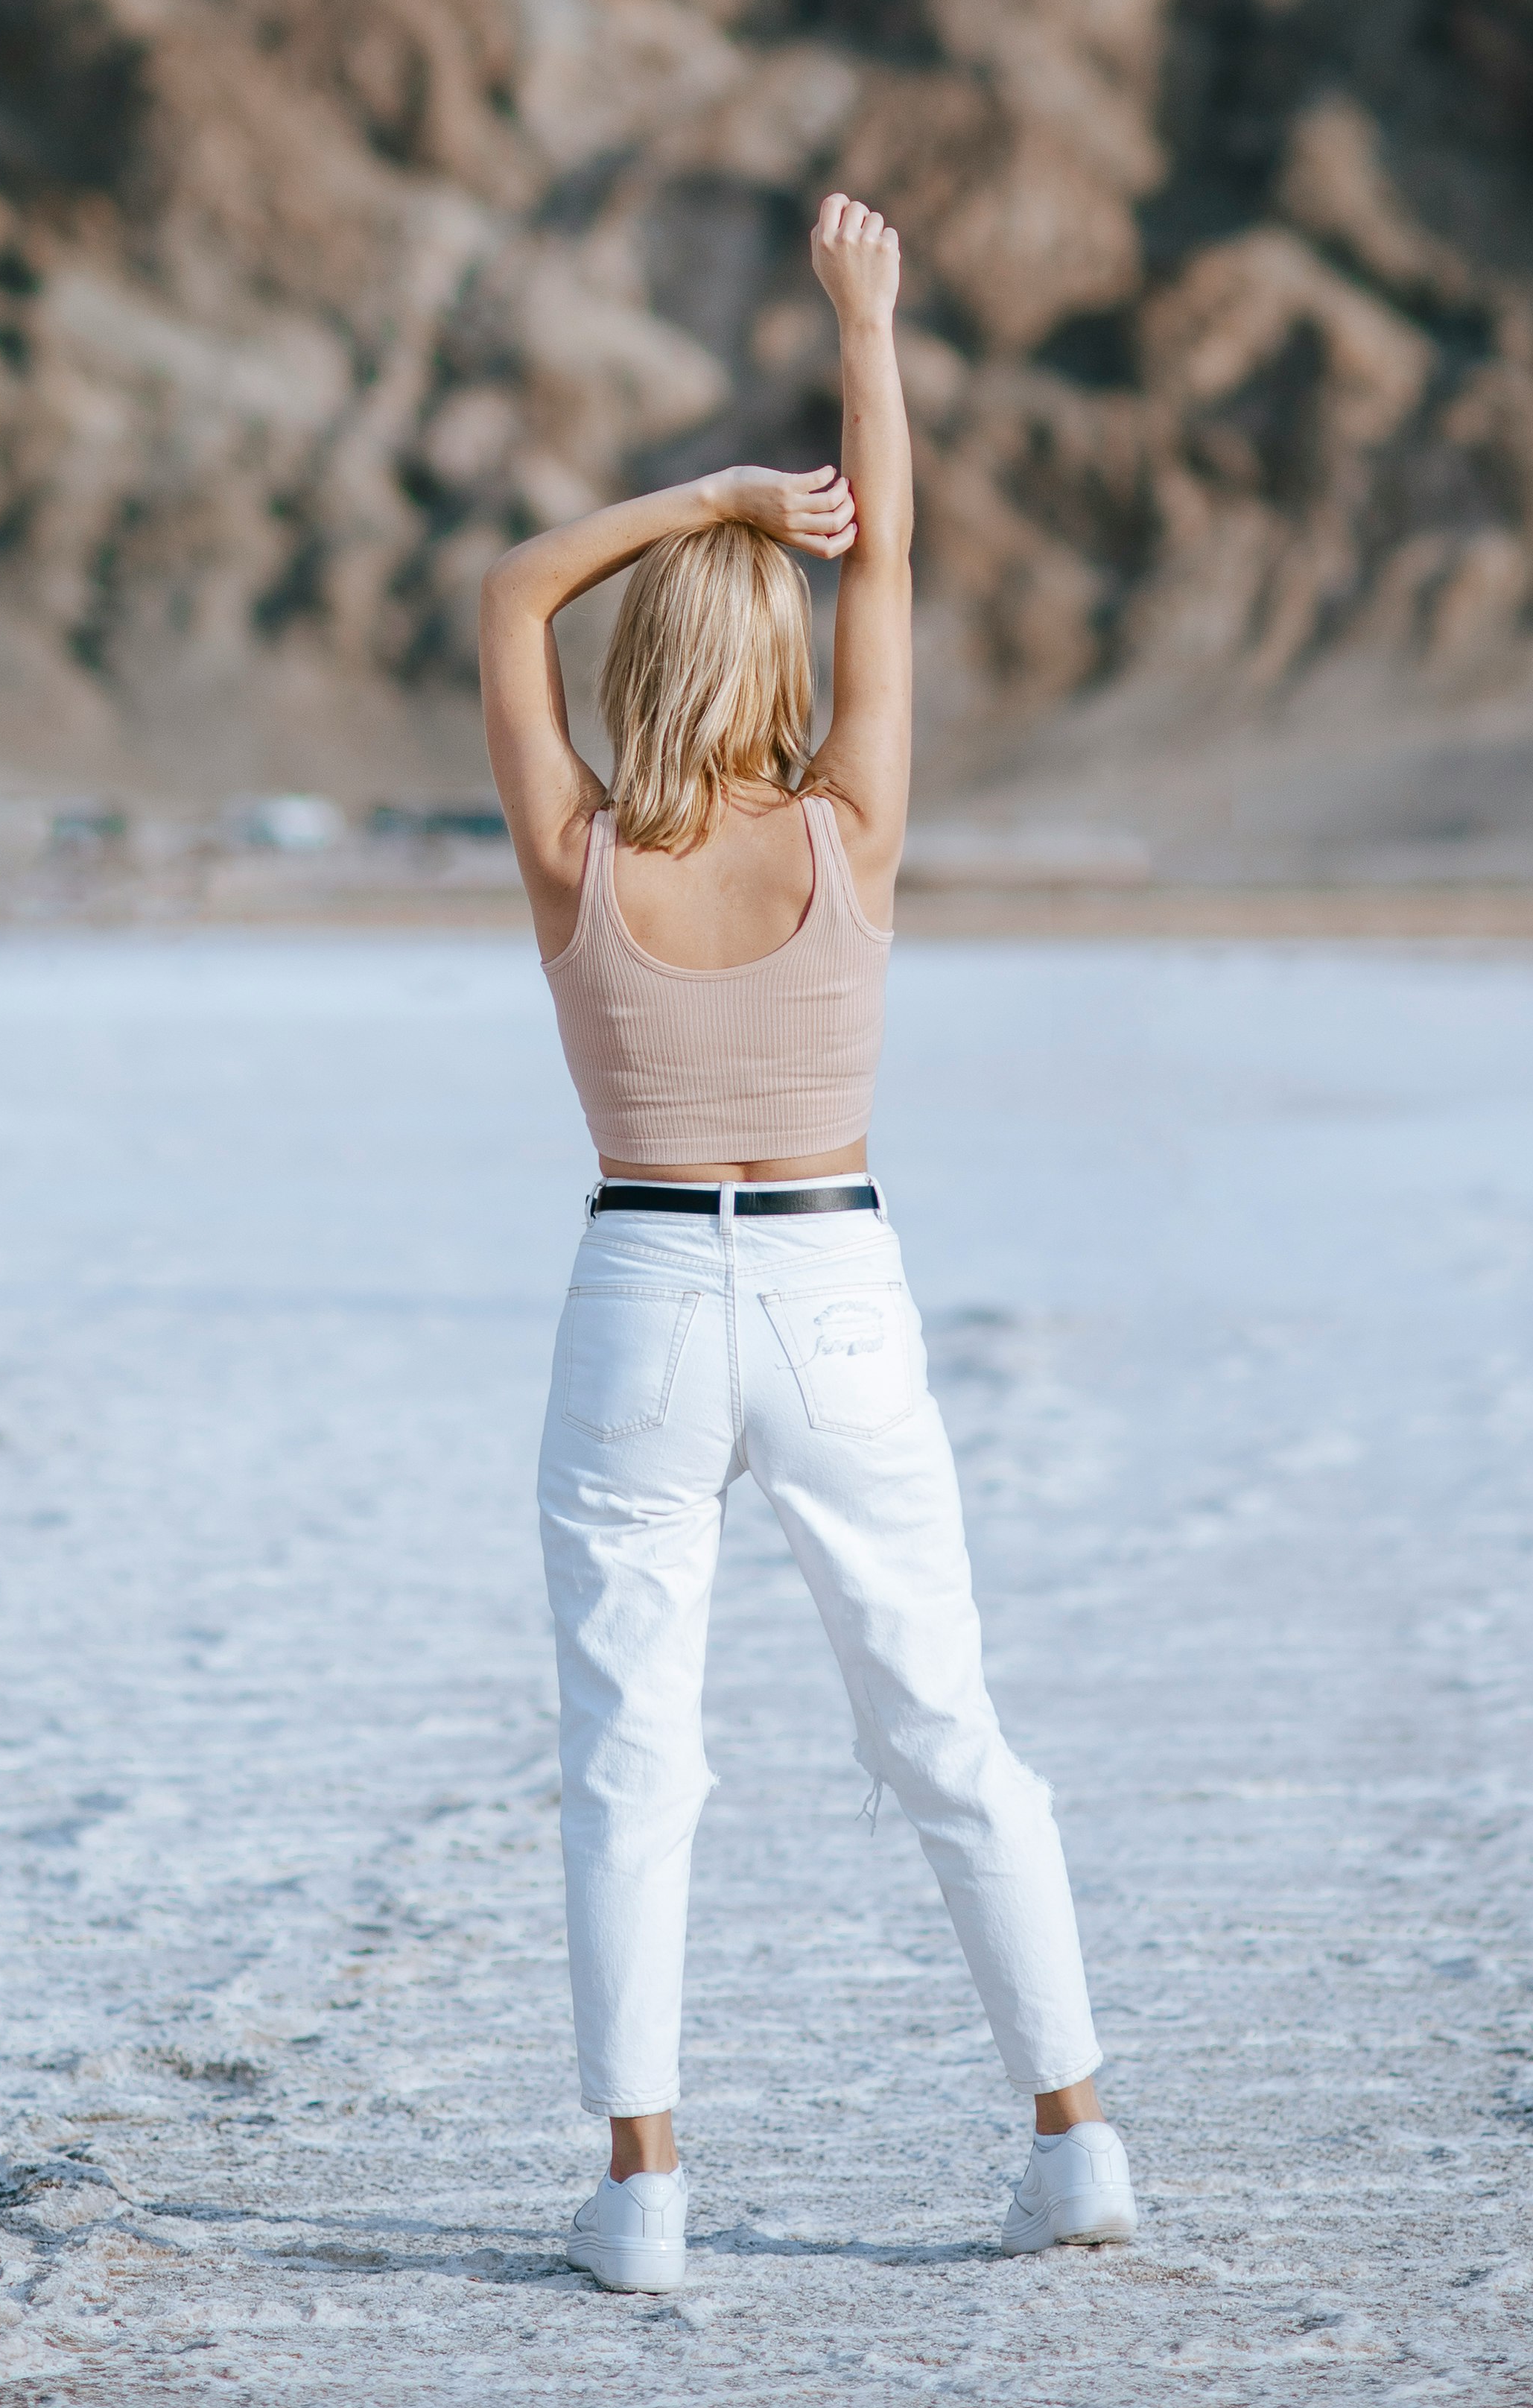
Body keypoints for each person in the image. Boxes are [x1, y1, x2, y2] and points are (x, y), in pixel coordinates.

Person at [478, 188, 1133, 2298]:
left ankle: (645, 2187)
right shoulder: (851, 822)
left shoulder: (578, 851)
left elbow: (507, 593)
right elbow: (903, 559)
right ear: (779, 664)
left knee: (629, 1757)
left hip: (644, 1288)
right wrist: (869, 330)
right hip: (840, 1282)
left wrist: (712, 494)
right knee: (945, 1726)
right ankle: (1075, 2138)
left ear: (647, 662)